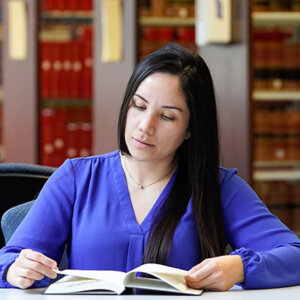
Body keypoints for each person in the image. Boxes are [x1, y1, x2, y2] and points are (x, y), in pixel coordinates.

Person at [1, 43, 300, 291]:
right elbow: (9, 259)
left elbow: (294, 256)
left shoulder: (217, 186)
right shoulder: (76, 178)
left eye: (167, 117)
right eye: (139, 106)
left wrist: (240, 267)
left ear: (190, 129)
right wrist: (16, 270)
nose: (145, 127)